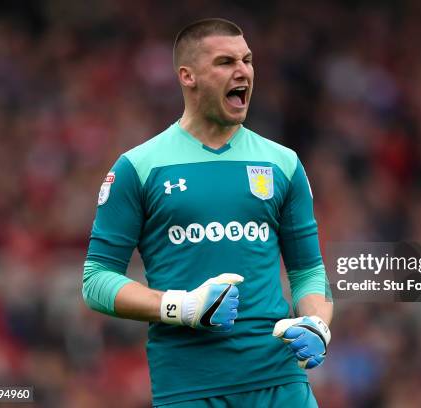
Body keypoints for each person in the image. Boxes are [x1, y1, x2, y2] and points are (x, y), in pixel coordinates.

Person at [82, 18, 332, 407]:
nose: (243, 71)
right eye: (225, 62)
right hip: (189, 387)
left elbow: (309, 273)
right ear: (188, 76)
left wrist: (317, 324)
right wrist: (181, 306)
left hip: (279, 382)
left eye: (247, 60)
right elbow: (96, 281)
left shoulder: (283, 164)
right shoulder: (139, 167)